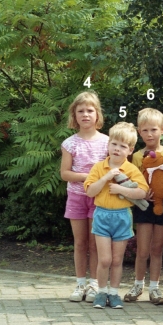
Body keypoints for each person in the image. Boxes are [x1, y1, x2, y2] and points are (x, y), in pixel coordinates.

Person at [84, 122, 149, 309]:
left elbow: (143, 192)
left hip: (122, 216)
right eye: (114, 144)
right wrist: (105, 178)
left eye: (122, 146)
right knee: (105, 259)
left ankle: (113, 293)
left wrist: (121, 189)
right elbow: (89, 191)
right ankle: (101, 291)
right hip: (102, 216)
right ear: (108, 144)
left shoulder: (131, 169)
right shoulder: (98, 167)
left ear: (130, 150)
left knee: (117, 260)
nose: (117, 149)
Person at [124, 108, 163, 305]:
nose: (149, 134)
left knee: (157, 248)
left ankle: (154, 288)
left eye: (154, 129)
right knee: (142, 249)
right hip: (145, 206)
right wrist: (143, 191)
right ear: (139, 132)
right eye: (145, 130)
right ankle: (138, 285)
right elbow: (136, 179)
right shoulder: (137, 156)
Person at [60, 92, 109, 303]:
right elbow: (65, 173)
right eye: (81, 111)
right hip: (77, 198)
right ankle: (80, 283)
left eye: (90, 110)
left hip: (99, 199)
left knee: (95, 243)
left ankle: (95, 284)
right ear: (75, 115)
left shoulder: (108, 142)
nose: (85, 115)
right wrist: (88, 177)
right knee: (80, 243)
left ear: (97, 114)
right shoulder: (70, 143)